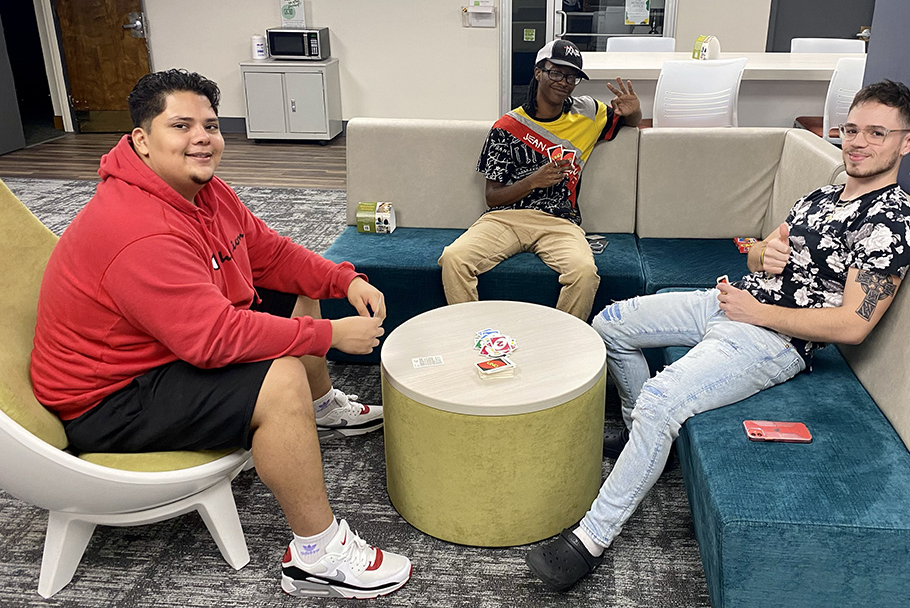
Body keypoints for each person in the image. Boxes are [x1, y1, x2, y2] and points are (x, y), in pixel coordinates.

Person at [525, 79, 910, 591]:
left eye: (877, 133)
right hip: (730, 303)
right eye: (851, 130)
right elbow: (759, 249)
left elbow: (853, 325)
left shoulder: (893, 222)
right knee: (610, 324)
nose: (858, 142)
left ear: (906, 142)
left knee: (661, 399)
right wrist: (763, 256)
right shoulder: (824, 195)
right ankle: (641, 439)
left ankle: (590, 540)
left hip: (772, 340)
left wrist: (758, 312)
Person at [30, 70, 411, 599]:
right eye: (181, 125)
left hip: (160, 350)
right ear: (141, 140)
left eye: (210, 124)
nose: (202, 137)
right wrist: (328, 335)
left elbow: (269, 254)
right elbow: (212, 339)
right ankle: (315, 553)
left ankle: (320, 405)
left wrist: (342, 279)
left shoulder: (204, 192)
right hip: (109, 400)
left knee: (290, 291)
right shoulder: (135, 228)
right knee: (279, 377)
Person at [438, 39, 642, 321]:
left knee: (584, 272)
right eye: (556, 72)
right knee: (454, 259)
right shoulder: (506, 127)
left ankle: (563, 343)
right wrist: (532, 181)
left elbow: (628, 121)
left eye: (572, 76)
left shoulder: (589, 113)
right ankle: (475, 337)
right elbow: (492, 197)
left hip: (559, 222)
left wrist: (636, 111)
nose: (564, 82)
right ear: (538, 72)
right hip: (505, 219)